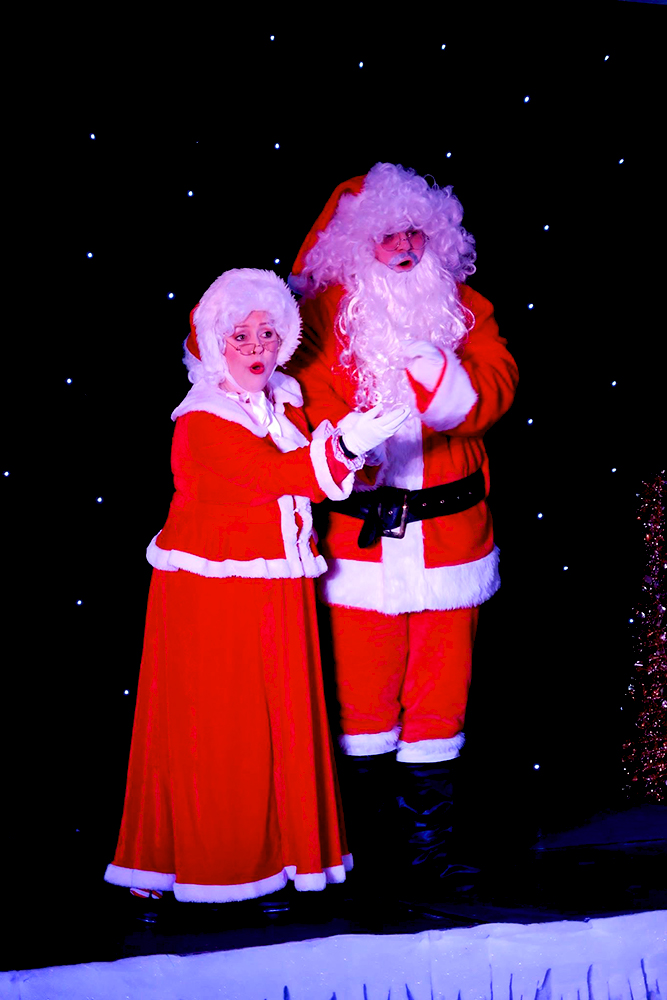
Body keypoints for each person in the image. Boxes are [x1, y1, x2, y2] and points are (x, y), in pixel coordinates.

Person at [104, 268, 408, 903]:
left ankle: (284, 859)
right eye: (239, 335)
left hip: (277, 587)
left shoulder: (284, 401)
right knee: (223, 726)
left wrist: (364, 441)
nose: (256, 347)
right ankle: (218, 869)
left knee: (283, 721)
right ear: (214, 343)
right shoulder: (201, 421)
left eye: (268, 333)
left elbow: (315, 465)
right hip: (214, 597)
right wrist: (348, 442)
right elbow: (273, 477)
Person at [287, 163, 519, 888]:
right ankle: (367, 855)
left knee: (442, 697)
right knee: (361, 700)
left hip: (453, 541)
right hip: (359, 548)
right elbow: (306, 415)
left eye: (416, 232)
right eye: (386, 235)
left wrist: (445, 381)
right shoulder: (324, 321)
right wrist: (350, 440)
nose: (404, 247)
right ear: (356, 246)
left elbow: (499, 382)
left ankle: (428, 856)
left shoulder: (463, 307)